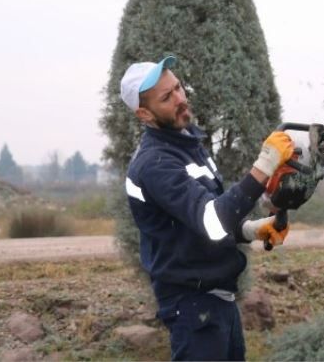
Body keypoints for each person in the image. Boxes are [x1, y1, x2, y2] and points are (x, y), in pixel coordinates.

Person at [119, 55, 293, 361]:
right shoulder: (155, 164)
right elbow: (211, 220)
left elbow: (204, 221)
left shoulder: (187, 144)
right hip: (192, 306)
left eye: (178, 88)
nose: (180, 99)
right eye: (166, 97)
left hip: (218, 301)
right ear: (144, 114)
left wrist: (251, 230)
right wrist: (264, 165)